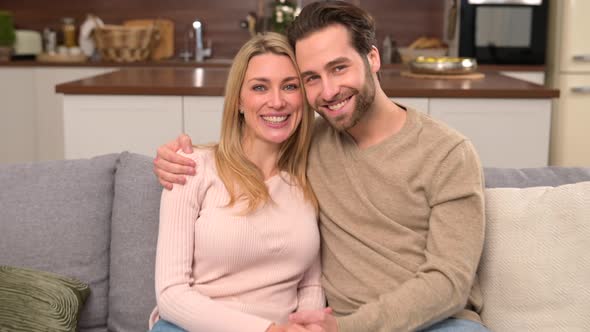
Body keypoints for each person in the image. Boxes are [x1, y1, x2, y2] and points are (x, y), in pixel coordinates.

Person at [153, 1, 489, 331]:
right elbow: (250, 143)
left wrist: (344, 328)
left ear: (372, 58)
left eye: (339, 68)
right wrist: (175, 158)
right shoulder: (306, 144)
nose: (328, 91)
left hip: (436, 322)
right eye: (311, 78)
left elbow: (449, 282)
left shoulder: (449, 154)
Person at [149, 32, 326, 332]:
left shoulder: (312, 176)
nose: (277, 101)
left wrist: (304, 326)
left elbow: (310, 286)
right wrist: (268, 331)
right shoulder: (192, 168)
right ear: (239, 102)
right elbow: (170, 293)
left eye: (290, 86)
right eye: (260, 87)